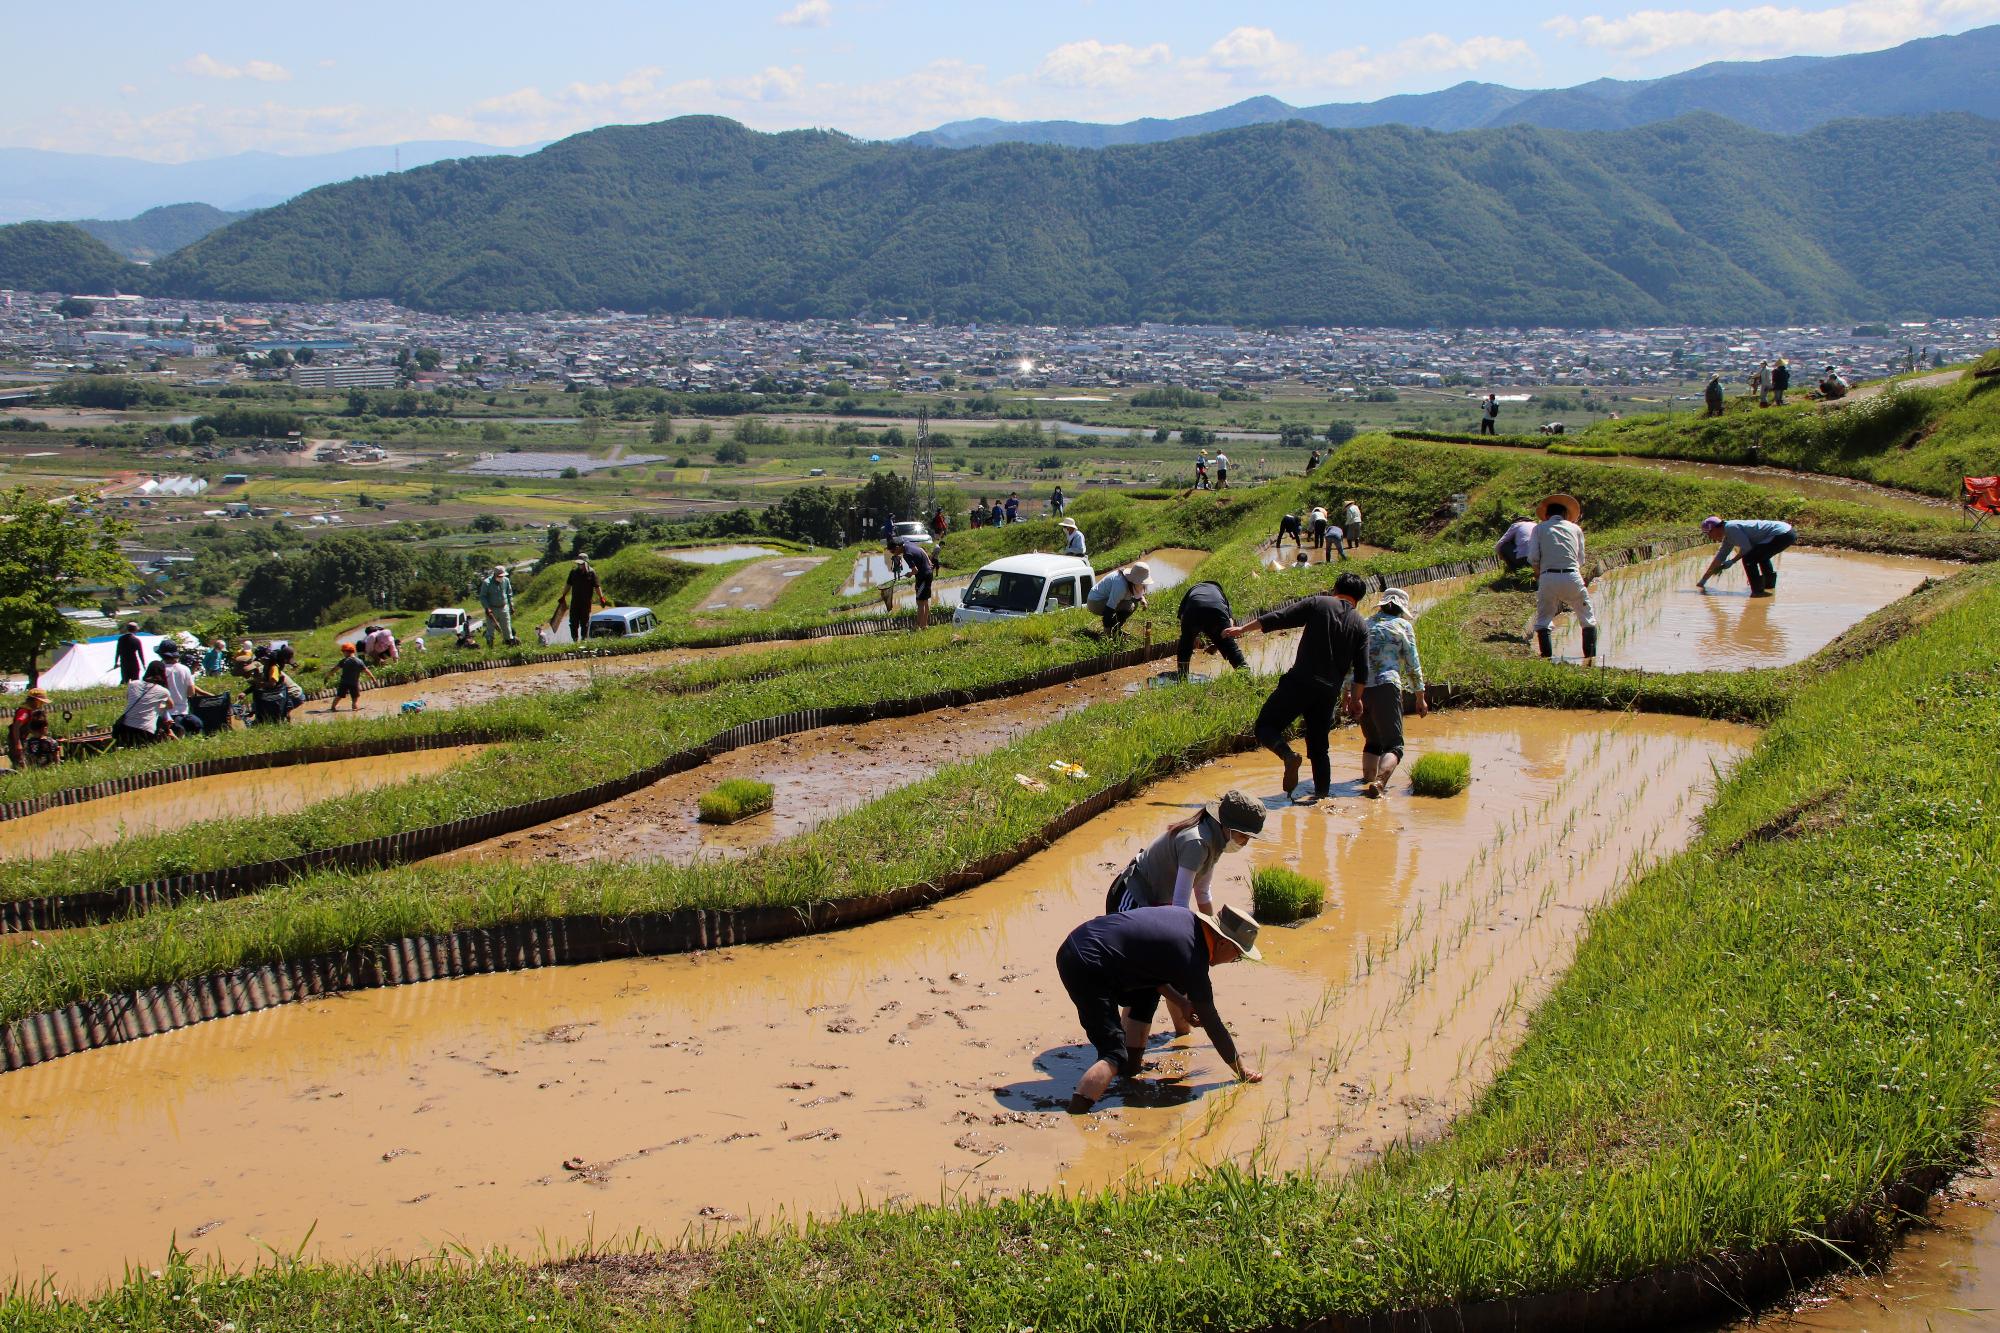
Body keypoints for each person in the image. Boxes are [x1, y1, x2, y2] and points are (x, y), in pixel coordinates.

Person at [1054, 904, 1263, 1113]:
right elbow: (1212, 1023)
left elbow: (1153, 970)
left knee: (1147, 994)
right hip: (1086, 964)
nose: (1233, 960)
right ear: (1224, 943)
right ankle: (1076, 1114)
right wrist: (1241, 1070)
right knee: (1113, 1053)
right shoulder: (1193, 959)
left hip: (1083, 943)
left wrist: (1182, 1003)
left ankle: (1131, 1069)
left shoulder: (1187, 921)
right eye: (1237, 956)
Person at [1223, 570, 1369, 802]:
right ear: (1357, 599)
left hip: (1301, 681)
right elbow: (1362, 670)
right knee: (1320, 748)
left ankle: (1288, 755)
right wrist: (1355, 699)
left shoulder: (1320, 603)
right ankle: (1321, 797)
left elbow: (1280, 617)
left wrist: (1242, 630)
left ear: (1335, 589)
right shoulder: (1360, 624)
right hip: (1328, 692)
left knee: (1265, 726)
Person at [1105, 790, 1264, 916]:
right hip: (1131, 898)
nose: (1245, 842)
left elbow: (1202, 891)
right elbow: (1180, 904)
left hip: (1156, 903)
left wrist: (1213, 934)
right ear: (1227, 826)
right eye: (1243, 836)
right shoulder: (1197, 843)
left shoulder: (1217, 841)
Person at [1360, 588, 1428, 798]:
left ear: (1381, 605)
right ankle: (1379, 783)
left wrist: (1348, 695)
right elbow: (1412, 664)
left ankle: (1367, 782)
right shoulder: (1403, 625)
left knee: (1372, 741)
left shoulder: (1365, 624)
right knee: (1394, 745)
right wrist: (1420, 697)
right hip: (1386, 687)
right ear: (1401, 609)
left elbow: (1352, 663)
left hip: (1361, 689)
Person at [1530, 493, 1597, 661]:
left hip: (1547, 577)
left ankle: (1546, 658)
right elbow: (1580, 560)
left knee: (1544, 619)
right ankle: (1590, 659)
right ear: (1566, 515)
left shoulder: (1539, 528)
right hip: (1571, 576)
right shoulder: (1576, 529)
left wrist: (1538, 572)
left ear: (1546, 515)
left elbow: (1533, 557)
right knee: (1587, 617)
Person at [1696, 516, 1796, 597]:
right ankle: (1768, 587)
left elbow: (1747, 549)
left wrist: (1732, 561)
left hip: (1782, 534)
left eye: (1708, 533)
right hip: (1786, 532)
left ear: (1714, 528)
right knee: (1760, 557)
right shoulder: (1728, 536)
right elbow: (1720, 558)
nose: (1710, 537)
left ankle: (1758, 592)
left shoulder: (1731, 528)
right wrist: (1703, 581)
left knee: (1749, 559)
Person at [1175, 580, 1247, 679]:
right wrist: (1219, 643)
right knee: (1231, 649)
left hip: (1193, 611)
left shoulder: (1192, 591)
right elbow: (1229, 626)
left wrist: (1190, 637)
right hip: (1216, 611)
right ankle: (1246, 676)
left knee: (1185, 647)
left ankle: (1182, 678)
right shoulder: (1220, 594)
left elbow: (1183, 618)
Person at [157, 642, 215, 736]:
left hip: (164, 713)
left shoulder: (159, 669)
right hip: (182, 712)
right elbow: (190, 693)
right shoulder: (185, 669)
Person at [115, 661, 174, 746]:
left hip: (125, 729)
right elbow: (171, 705)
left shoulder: (133, 683)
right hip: (145, 731)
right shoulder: (163, 691)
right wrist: (158, 706)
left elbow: (129, 699)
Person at [890, 534, 940, 629]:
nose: (893, 554)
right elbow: (921, 549)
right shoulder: (908, 544)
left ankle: (918, 627)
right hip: (928, 574)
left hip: (923, 577)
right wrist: (928, 561)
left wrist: (909, 574)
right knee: (924, 601)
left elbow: (915, 570)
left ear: (897, 547)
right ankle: (924, 625)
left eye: (893, 551)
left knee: (920, 602)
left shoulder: (906, 555)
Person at [1086, 561, 1150, 635]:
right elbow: (1109, 609)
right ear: (1135, 581)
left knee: (1133, 603)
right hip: (1095, 603)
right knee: (1130, 605)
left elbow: (1136, 592)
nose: (1143, 585)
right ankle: (1112, 630)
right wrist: (1107, 631)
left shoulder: (1129, 580)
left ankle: (1116, 629)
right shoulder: (1121, 585)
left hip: (1102, 600)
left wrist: (1142, 599)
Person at [555, 556, 608, 643]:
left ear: (586, 562)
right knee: (573, 622)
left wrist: (601, 597)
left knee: (585, 622)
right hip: (575, 602)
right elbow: (568, 585)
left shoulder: (591, 573)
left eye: (581, 563)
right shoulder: (573, 573)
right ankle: (575, 640)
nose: (579, 565)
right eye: (578, 563)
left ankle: (584, 640)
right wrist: (563, 595)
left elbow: (597, 587)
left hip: (586, 603)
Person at [8, 687, 50, 770]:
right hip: (16, 740)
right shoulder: (24, 712)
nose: (42, 705)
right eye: (41, 702)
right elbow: (16, 726)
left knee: (25, 762)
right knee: (20, 764)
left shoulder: (30, 711)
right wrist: (18, 744)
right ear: (35, 701)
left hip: (22, 739)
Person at [330, 642, 377, 711]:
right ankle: (354, 707)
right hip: (354, 682)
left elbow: (334, 669)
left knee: (339, 695)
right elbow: (366, 670)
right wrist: (373, 678)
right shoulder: (359, 661)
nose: (343, 653)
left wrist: (328, 675)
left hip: (344, 682)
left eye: (343, 652)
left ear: (346, 652)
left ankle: (333, 707)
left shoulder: (344, 661)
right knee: (355, 697)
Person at [479, 565, 518, 648]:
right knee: (490, 629)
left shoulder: (506, 581)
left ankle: (509, 645)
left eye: (503, 576)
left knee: (507, 628)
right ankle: (490, 647)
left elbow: (509, 594)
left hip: (504, 608)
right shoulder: (487, 583)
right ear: (495, 575)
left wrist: (511, 605)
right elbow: (483, 597)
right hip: (492, 610)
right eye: (500, 576)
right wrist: (487, 608)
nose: (501, 577)